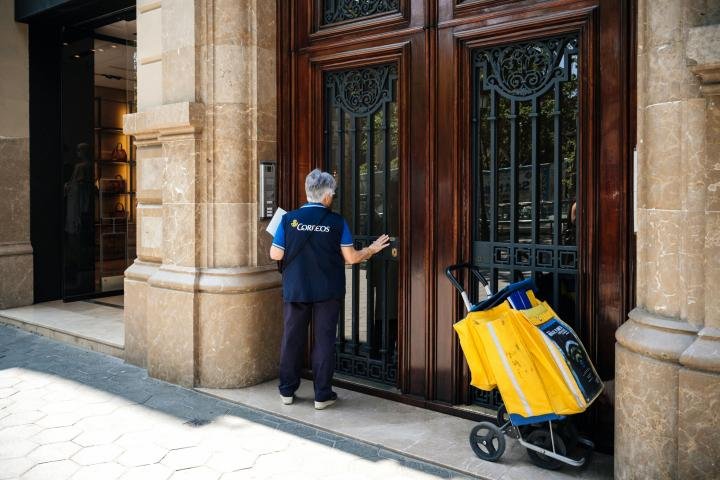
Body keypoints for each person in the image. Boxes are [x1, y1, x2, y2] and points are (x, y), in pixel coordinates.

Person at [270, 169, 390, 410]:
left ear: (308, 192)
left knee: (292, 339)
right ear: (326, 197)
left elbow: (276, 254)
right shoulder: (336, 222)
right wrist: (373, 249)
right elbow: (352, 258)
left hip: (296, 289)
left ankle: (287, 391)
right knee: (324, 340)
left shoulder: (288, 219)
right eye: (332, 194)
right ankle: (321, 395)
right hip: (327, 291)